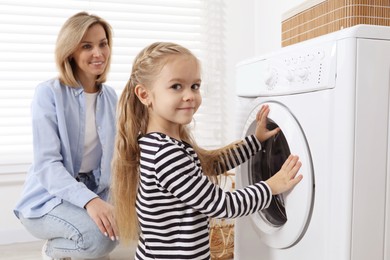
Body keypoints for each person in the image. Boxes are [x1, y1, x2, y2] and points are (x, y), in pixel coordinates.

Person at [111, 42, 303, 260]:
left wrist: (255, 142)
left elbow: (212, 164)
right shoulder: (166, 155)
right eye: (176, 86)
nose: (190, 95)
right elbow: (222, 205)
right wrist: (271, 187)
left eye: (195, 86)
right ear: (145, 95)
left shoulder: (157, 143)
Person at [14, 12, 118, 260]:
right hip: (48, 198)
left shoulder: (111, 97)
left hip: (95, 190)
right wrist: (90, 202)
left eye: (103, 44)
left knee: (121, 228)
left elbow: (120, 155)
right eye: (87, 46)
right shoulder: (48, 94)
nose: (98, 53)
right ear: (70, 51)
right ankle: (53, 250)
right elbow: (47, 165)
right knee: (99, 240)